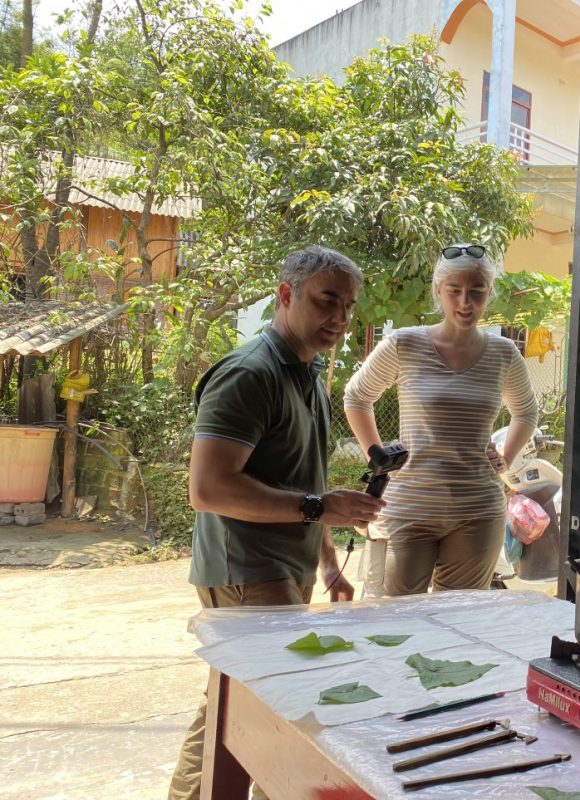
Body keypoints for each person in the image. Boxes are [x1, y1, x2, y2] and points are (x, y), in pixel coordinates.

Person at [168, 245, 385, 800]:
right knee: (283, 714)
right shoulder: (249, 374)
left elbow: (297, 479)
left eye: (348, 305)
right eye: (326, 301)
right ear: (286, 296)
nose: (339, 317)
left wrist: (329, 562)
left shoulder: (307, 372)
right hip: (246, 568)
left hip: (282, 568)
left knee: (233, 704)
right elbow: (209, 488)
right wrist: (320, 509)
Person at [344, 243, 538, 596]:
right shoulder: (405, 344)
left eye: (476, 292)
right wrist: (377, 455)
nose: (465, 302)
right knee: (397, 618)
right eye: (455, 291)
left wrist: (505, 458)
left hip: (477, 509)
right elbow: (357, 397)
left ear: (488, 295)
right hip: (409, 506)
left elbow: (526, 412)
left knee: (459, 620)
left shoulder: (503, 353)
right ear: (438, 291)